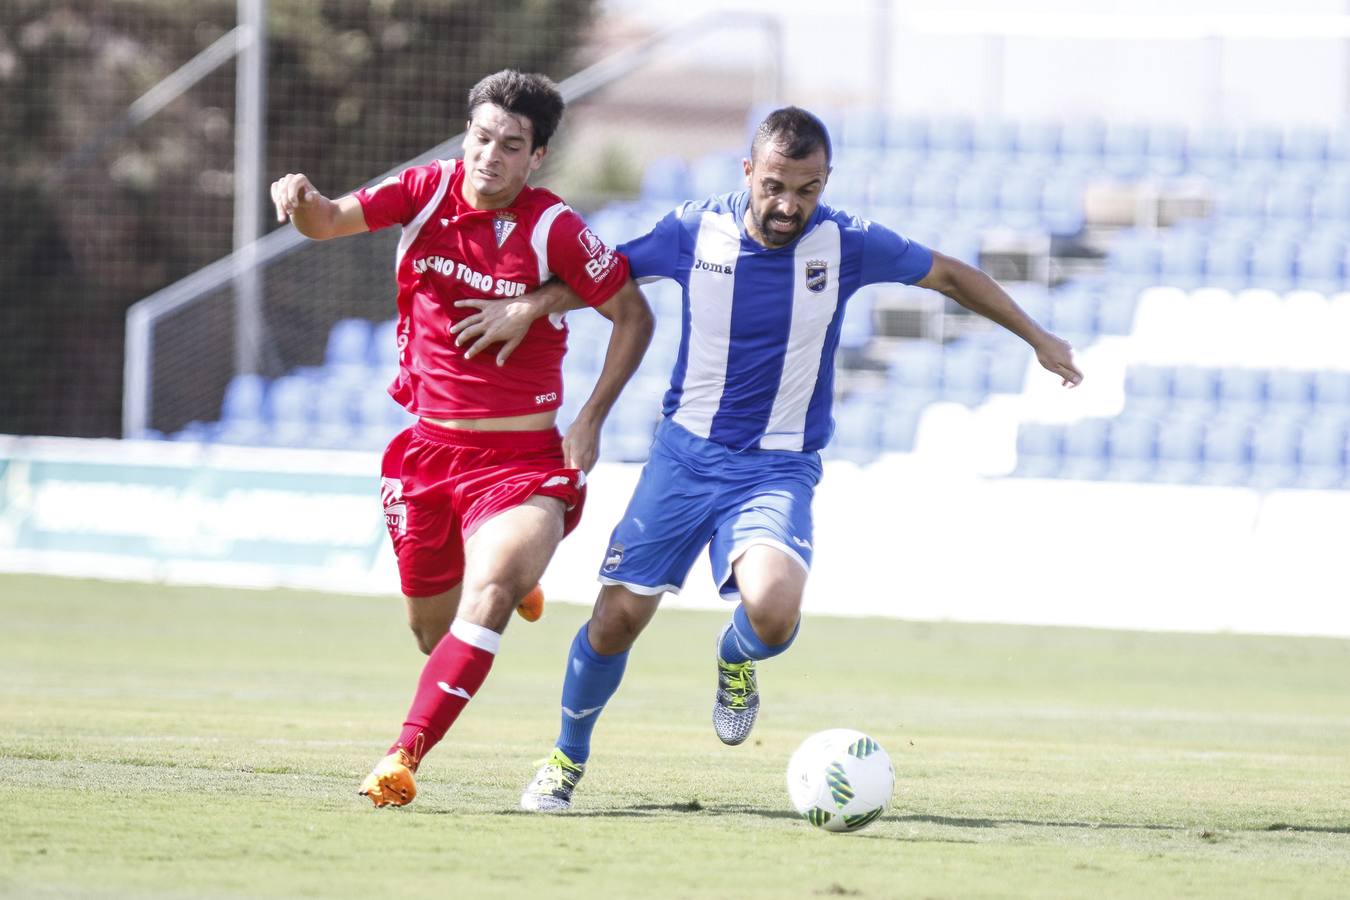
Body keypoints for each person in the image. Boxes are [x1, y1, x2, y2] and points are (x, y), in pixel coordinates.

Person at [452, 106, 1083, 813]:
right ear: (749, 171)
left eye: (806, 190)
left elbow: (949, 275)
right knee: (615, 622)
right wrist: (531, 306)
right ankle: (564, 761)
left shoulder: (845, 242)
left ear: (826, 182)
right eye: (776, 185)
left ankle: (736, 659)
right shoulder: (694, 231)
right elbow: (606, 275)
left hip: (777, 469)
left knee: (775, 609)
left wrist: (1036, 336)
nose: (789, 206)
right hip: (683, 461)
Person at [269, 69, 654, 808]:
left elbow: (634, 314)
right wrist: (298, 196)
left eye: (512, 146)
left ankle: (401, 757)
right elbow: (325, 221)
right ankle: (514, 571)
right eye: (482, 138)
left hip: (522, 465)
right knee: (429, 631)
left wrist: (589, 418)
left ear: (537, 156)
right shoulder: (423, 192)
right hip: (426, 457)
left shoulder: (553, 228)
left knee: (495, 592)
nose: (490, 157)